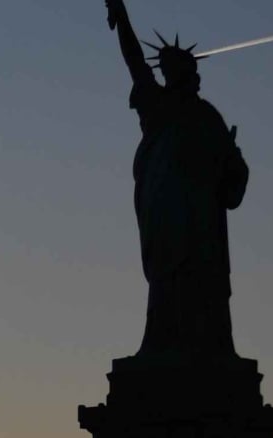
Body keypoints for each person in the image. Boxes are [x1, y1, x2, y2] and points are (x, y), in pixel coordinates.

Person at [105, 0, 249, 358]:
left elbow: (232, 168)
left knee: (203, 284)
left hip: (201, 219)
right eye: (167, 68)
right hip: (167, 211)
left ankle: (210, 351)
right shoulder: (158, 105)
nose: (171, 73)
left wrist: (231, 164)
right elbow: (134, 61)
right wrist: (121, 17)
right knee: (169, 281)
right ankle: (162, 347)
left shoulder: (206, 116)